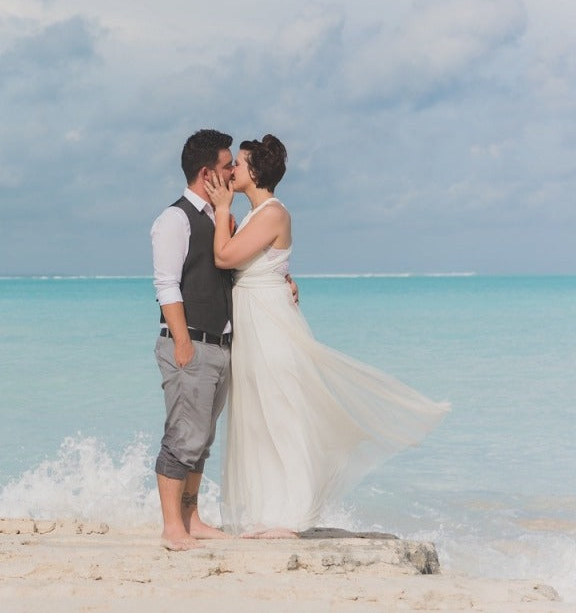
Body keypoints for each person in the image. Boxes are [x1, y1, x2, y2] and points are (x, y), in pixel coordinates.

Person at [203, 134, 450, 538]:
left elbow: (224, 257)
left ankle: (292, 517)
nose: (233, 171)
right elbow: (253, 263)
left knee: (282, 415)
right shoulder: (252, 215)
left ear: (256, 171)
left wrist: (221, 208)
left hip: (270, 325)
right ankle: (268, 511)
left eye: (240, 164)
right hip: (253, 322)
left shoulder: (272, 212)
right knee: (258, 418)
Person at [150, 129, 236, 550]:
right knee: (182, 437)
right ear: (207, 173)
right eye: (228, 165)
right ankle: (172, 528)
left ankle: (192, 517)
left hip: (218, 345)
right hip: (190, 343)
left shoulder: (219, 219)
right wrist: (182, 343)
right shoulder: (175, 218)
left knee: (202, 439)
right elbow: (167, 285)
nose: (235, 171)